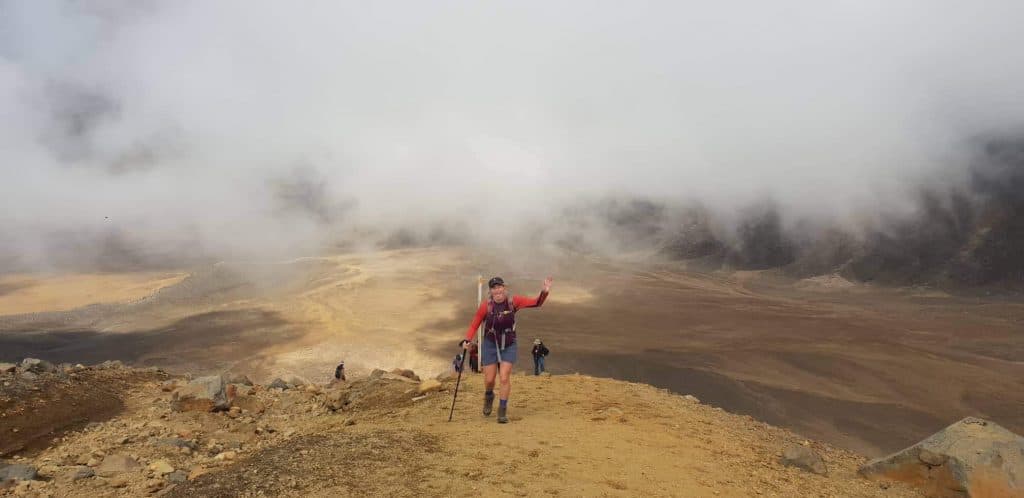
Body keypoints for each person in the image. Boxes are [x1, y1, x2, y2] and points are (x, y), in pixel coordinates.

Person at [463, 275, 552, 423]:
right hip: (490, 344)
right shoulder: (486, 306)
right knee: (490, 379)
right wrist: (467, 339)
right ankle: (489, 396)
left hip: (509, 343)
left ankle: (502, 411)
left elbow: (537, 303)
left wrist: (544, 291)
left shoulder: (513, 301)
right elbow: (475, 323)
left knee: (504, 377)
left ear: (504, 288)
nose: (497, 290)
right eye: (494, 288)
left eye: (499, 287)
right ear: (490, 291)